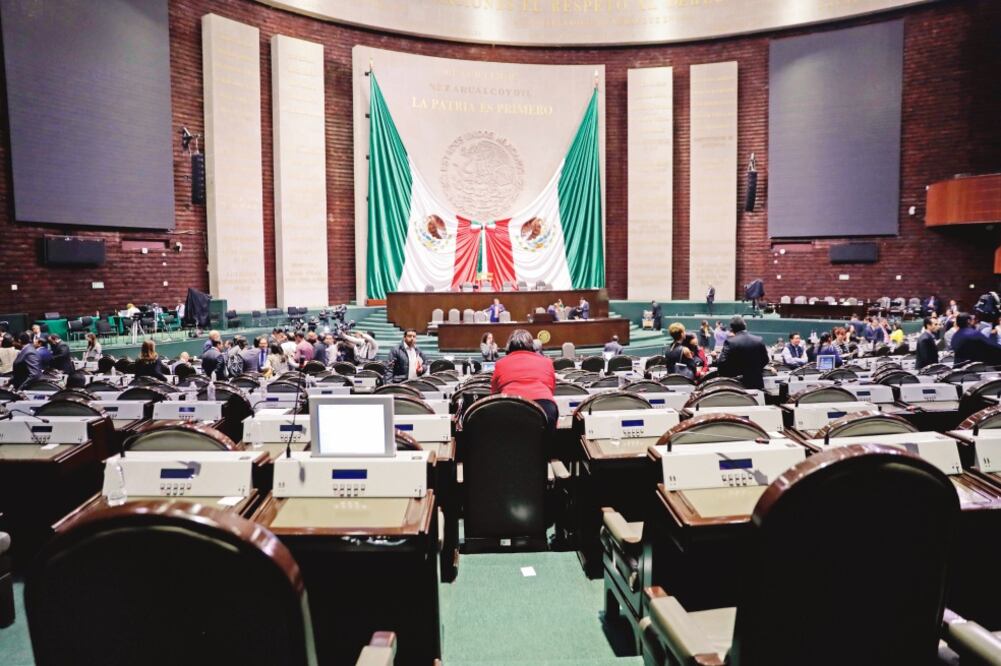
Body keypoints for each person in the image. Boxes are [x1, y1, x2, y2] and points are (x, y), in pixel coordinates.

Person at [490, 329, 557, 429]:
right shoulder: (547, 362)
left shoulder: (500, 363)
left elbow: (494, 393)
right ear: (533, 345)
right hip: (545, 408)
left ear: (508, 346)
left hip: (510, 406)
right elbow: (551, 390)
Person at [716, 316, 769, 390]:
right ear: (745, 325)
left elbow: (722, 363)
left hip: (737, 385)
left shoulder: (730, 342)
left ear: (732, 329)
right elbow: (765, 360)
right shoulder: (758, 340)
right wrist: (753, 371)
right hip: (756, 382)